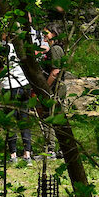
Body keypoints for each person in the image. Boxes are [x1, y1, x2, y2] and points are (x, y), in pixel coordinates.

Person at [0, 34, 33, 165]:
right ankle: (27, 154)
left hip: (9, 88)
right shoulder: (23, 48)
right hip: (24, 86)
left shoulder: (6, 48)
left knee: (11, 121)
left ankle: (13, 154)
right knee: (24, 119)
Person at [41, 27, 67, 159]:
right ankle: (56, 149)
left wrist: (46, 87)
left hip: (55, 89)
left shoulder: (56, 49)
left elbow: (55, 71)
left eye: (46, 32)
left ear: (54, 34)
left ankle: (52, 150)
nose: (44, 35)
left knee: (52, 117)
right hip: (55, 88)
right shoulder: (53, 49)